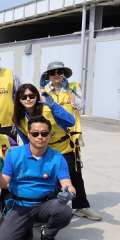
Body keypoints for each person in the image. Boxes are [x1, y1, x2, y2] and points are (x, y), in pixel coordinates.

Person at [0, 115, 76, 240]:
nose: (40, 137)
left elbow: (67, 184)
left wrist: (69, 194)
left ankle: (48, 235)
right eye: (35, 133)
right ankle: (25, 227)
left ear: (50, 135)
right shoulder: (14, 154)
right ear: (28, 134)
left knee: (64, 211)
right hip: (20, 205)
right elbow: (1, 184)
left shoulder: (58, 157)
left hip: (44, 205)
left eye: (44, 133)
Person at [40, 62, 100, 221]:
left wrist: (67, 90)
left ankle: (81, 207)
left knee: (74, 173)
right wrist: (40, 91)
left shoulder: (73, 87)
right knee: (49, 174)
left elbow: (80, 106)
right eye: (53, 72)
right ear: (48, 75)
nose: (56, 74)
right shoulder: (44, 91)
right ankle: (47, 207)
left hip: (70, 140)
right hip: (49, 140)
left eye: (60, 71)